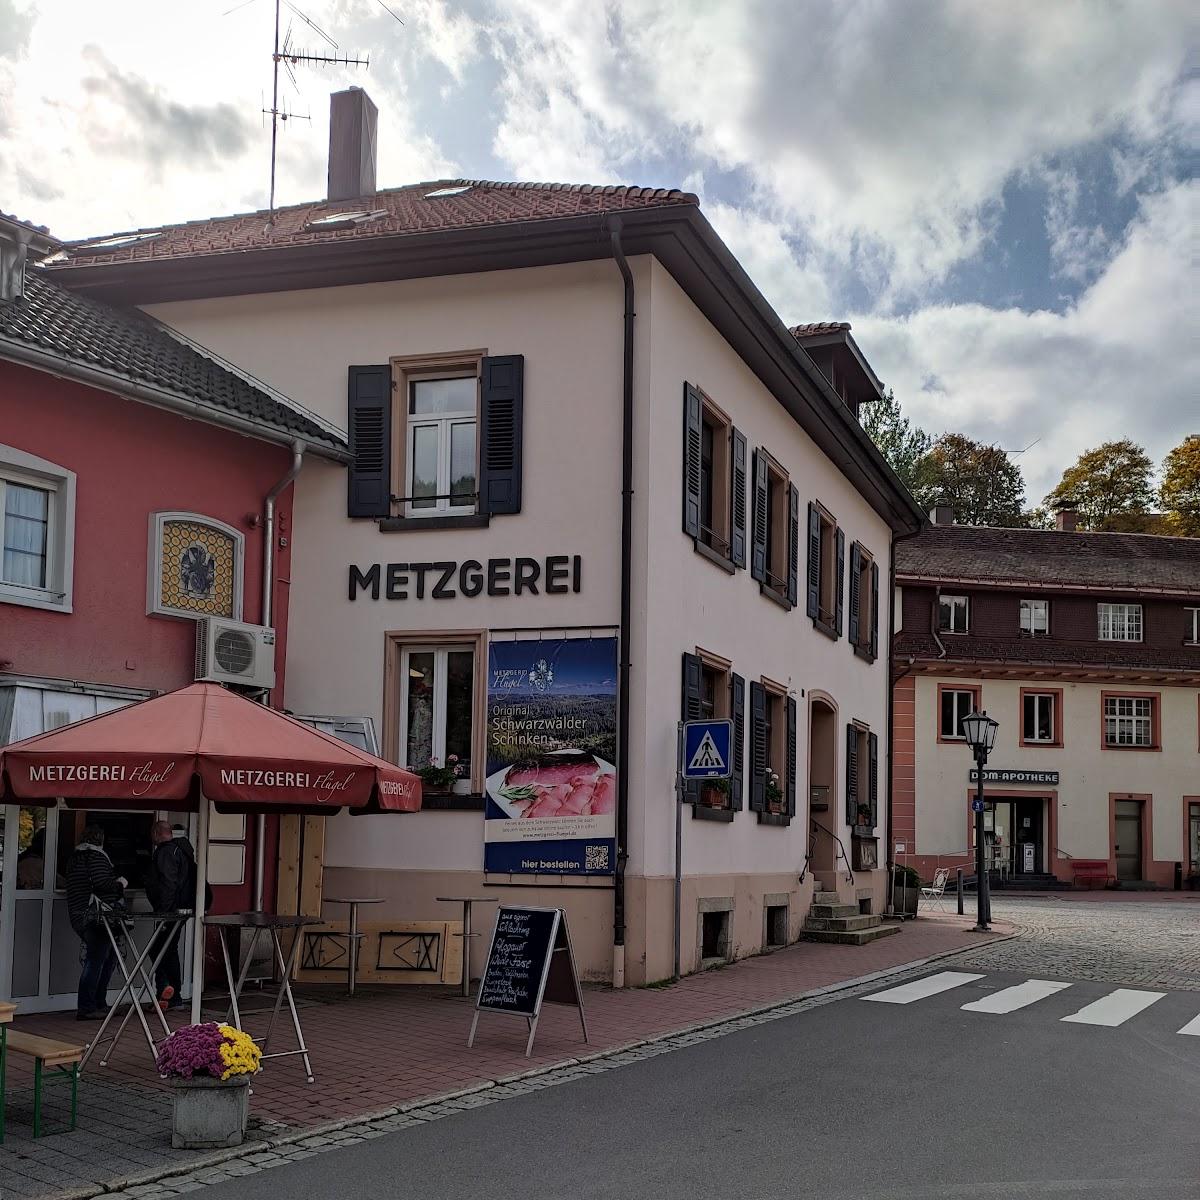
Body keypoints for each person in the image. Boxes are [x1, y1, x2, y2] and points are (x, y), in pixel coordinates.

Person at [65, 825, 126, 1021]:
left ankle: (98, 1003)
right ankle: (88, 1006)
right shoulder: (96, 856)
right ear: (100, 839)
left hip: (79, 915)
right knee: (97, 961)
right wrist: (120, 883)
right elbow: (101, 883)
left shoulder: (74, 858)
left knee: (103, 959)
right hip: (97, 917)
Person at [145, 821, 197, 1010]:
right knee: (168, 949)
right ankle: (166, 995)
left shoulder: (166, 852)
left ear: (157, 833)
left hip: (169, 912)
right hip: (180, 909)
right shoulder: (181, 851)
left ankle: (170, 992)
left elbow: (168, 882)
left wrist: (165, 911)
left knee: (158, 950)